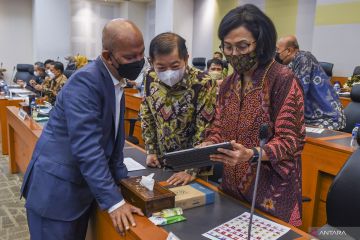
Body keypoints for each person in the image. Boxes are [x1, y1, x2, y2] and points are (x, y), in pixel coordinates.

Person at [21, 19, 145, 240]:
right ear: (107, 56)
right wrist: (114, 201)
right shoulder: (85, 83)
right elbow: (88, 149)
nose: (138, 61)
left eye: (141, 54)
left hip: (81, 192)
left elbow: (113, 142)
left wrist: (125, 187)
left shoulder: (116, 82)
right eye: (129, 57)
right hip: (57, 195)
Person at [200, 4, 306, 226]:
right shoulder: (228, 83)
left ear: (262, 42)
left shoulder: (282, 79)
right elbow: (219, 128)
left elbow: (291, 141)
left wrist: (252, 153)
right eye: (227, 47)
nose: (234, 54)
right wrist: (209, 143)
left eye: (242, 46)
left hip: (272, 194)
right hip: (231, 188)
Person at [140, 32, 216, 186]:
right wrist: (151, 150)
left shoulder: (203, 83)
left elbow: (205, 130)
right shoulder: (149, 76)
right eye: (161, 67)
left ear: (186, 58)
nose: (168, 73)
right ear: (151, 62)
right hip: (161, 162)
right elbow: (146, 115)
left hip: (194, 168)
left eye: (175, 66)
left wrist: (190, 169)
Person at [276, 35, 345, 130]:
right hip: (310, 119)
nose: (277, 54)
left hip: (327, 118)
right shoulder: (291, 64)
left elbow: (297, 92)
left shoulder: (304, 59)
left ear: (288, 51)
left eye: (278, 50)